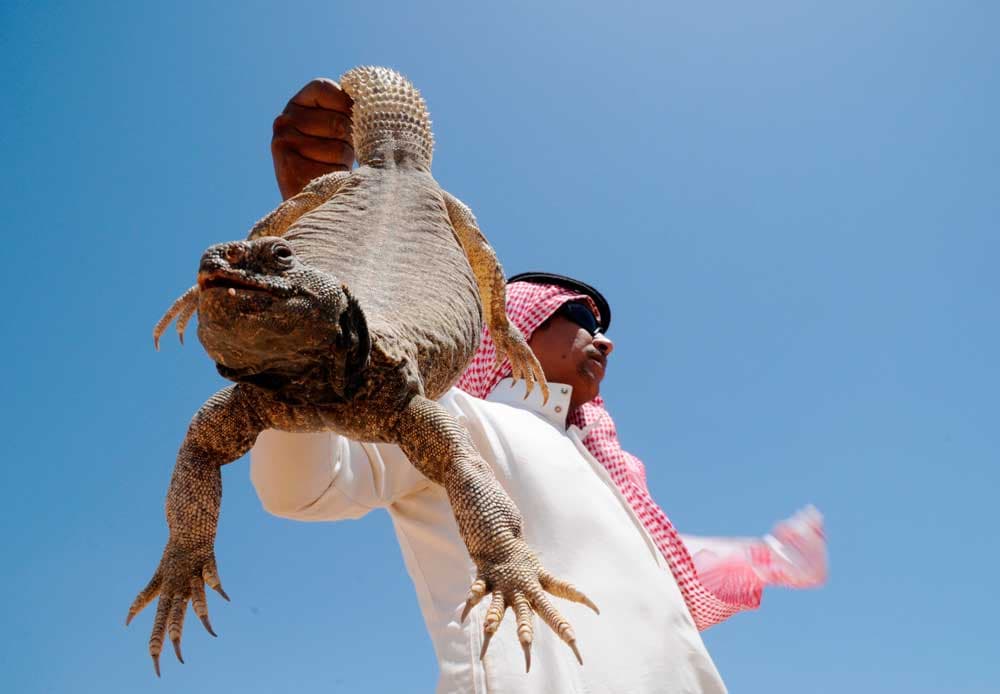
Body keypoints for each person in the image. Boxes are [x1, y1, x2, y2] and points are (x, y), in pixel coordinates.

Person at [252, 78, 826, 693]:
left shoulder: (615, 480)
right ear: (518, 324)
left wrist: (764, 557)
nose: (602, 340)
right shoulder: (452, 417)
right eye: (578, 317)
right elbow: (304, 488)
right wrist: (310, 275)